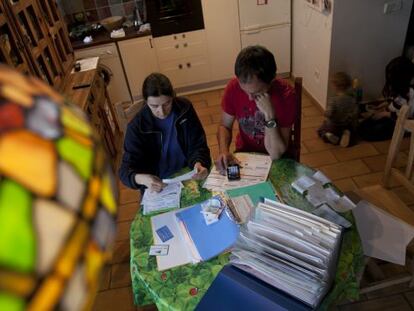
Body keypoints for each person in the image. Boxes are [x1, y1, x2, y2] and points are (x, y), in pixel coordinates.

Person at [119, 73, 211, 192]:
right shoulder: (137, 127)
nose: (161, 112)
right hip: (158, 182)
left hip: (187, 172)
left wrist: (199, 162)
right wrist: (142, 179)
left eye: (167, 104)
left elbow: (198, 144)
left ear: (173, 97)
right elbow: (125, 171)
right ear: (146, 102)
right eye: (154, 106)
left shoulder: (185, 108)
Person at [215, 45, 296, 174]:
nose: (250, 98)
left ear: (272, 80)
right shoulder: (233, 87)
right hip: (245, 154)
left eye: (257, 92)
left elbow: (276, 153)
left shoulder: (286, 95)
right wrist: (224, 150)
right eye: (244, 90)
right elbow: (224, 125)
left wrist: (270, 115)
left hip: (279, 158)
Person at [358, 56, 414, 141]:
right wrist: (379, 107)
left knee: (371, 131)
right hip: (392, 117)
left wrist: (385, 114)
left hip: (402, 123)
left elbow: (406, 116)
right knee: (364, 125)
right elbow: (393, 102)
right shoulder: (399, 89)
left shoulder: (410, 95)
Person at [317, 72, 358, 147]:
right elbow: (355, 113)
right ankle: (346, 134)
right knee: (352, 130)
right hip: (346, 124)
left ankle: (328, 135)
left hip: (334, 125)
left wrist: (325, 113)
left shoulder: (334, 100)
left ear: (336, 86)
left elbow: (329, 113)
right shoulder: (352, 99)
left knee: (321, 129)